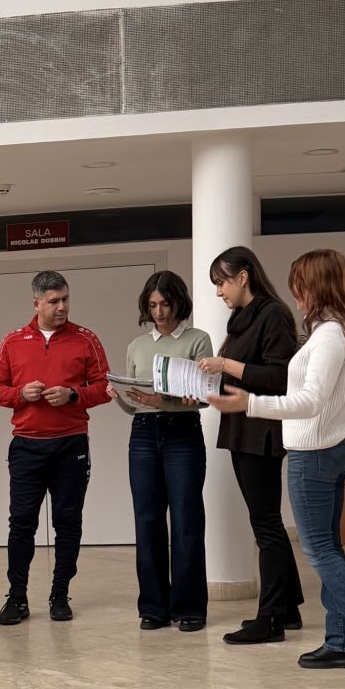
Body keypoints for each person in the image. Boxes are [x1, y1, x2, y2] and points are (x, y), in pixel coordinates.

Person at [208, 248, 345, 681]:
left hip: (314, 454)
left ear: (316, 286)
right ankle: (341, 640)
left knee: (318, 551)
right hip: (330, 449)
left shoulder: (331, 334)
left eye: (299, 285)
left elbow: (311, 400)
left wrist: (250, 403)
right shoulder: (343, 330)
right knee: (329, 547)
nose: (295, 294)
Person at [196, 246, 305, 644]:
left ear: (243, 276)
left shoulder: (273, 313)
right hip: (241, 429)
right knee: (265, 522)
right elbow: (243, 375)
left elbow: (278, 377)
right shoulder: (242, 318)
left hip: (262, 432)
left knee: (266, 525)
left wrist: (224, 365)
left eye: (222, 282)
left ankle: (270, 619)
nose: (219, 292)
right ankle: (288, 608)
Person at [0, 270, 110, 624]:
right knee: (21, 524)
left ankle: (60, 595)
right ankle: (17, 598)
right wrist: (20, 394)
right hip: (27, 446)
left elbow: (105, 387)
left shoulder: (86, 339)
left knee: (67, 522)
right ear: (36, 303)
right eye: (54, 301)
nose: (62, 307)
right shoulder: (13, 341)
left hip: (71, 445)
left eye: (66, 299)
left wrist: (74, 395)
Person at [106, 270, 212, 632]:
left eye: (165, 304)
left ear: (179, 302)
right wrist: (118, 396)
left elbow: (203, 398)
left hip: (182, 433)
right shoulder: (137, 346)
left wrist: (161, 401)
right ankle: (153, 608)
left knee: (186, 520)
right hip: (142, 433)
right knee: (147, 520)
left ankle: (190, 608)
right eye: (152, 305)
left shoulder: (198, 340)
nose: (159, 312)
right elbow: (135, 406)